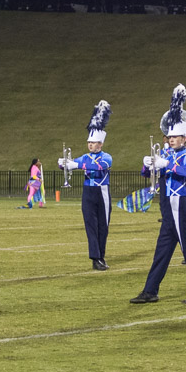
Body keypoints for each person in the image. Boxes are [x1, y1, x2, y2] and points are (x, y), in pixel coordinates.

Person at [131, 85, 186, 305]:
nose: (171, 139)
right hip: (167, 206)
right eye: (169, 136)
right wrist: (147, 166)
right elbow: (148, 175)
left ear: (184, 138)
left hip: (180, 205)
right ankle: (150, 290)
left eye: (175, 137)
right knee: (162, 251)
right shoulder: (164, 152)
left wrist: (168, 165)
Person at [59, 101, 113, 270]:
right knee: (90, 226)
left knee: (102, 227)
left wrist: (77, 165)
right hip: (88, 193)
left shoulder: (107, 157)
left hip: (102, 192)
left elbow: (99, 167)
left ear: (101, 144)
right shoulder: (84, 157)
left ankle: (101, 255)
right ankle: (95, 258)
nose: (90, 145)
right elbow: (72, 164)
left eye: (94, 142)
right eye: (89, 142)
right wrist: (64, 164)